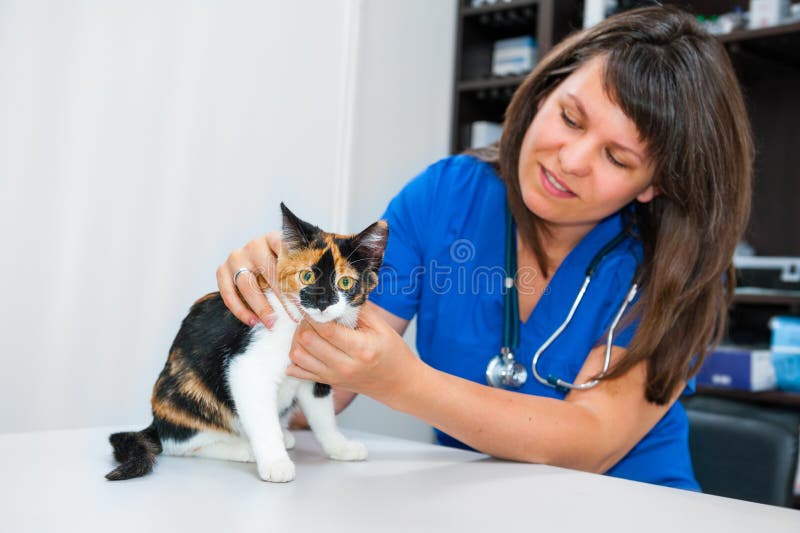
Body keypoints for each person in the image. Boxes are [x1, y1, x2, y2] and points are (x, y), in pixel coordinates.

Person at [216, 5, 752, 490]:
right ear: (546, 89)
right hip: (480, 507)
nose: (571, 160)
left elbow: (587, 442)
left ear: (653, 185)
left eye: (617, 158)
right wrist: (273, 306)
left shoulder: (674, 267)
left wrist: (404, 383)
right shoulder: (445, 198)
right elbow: (322, 385)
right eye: (569, 117)